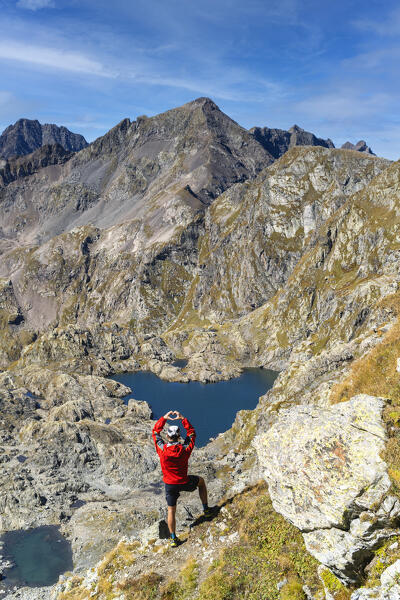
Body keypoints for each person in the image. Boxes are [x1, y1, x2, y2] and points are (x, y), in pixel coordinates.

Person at [152, 410, 211, 547]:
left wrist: (164, 419)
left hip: (169, 484)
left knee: (171, 510)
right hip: (184, 481)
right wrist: (183, 418)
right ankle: (206, 509)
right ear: (179, 436)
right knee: (201, 482)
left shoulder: (162, 449)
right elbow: (191, 434)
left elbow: (155, 432)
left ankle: (173, 538)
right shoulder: (185, 449)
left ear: (167, 436)